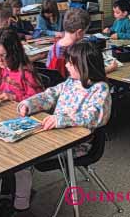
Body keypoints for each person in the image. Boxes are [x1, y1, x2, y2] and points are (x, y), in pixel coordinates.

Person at [14, 41, 112, 212]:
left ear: (84, 65)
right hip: (55, 136)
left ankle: (21, 201)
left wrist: (61, 120)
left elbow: (94, 116)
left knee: (23, 157)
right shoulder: (71, 82)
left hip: (78, 145)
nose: (66, 65)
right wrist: (28, 104)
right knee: (17, 150)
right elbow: (49, 95)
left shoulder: (100, 88)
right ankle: (19, 195)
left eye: (70, 63)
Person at [45, 8, 91, 78]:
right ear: (79, 32)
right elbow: (87, 76)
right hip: (75, 86)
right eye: (85, 31)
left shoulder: (53, 47)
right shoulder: (78, 51)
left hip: (58, 85)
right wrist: (110, 68)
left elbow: (48, 69)